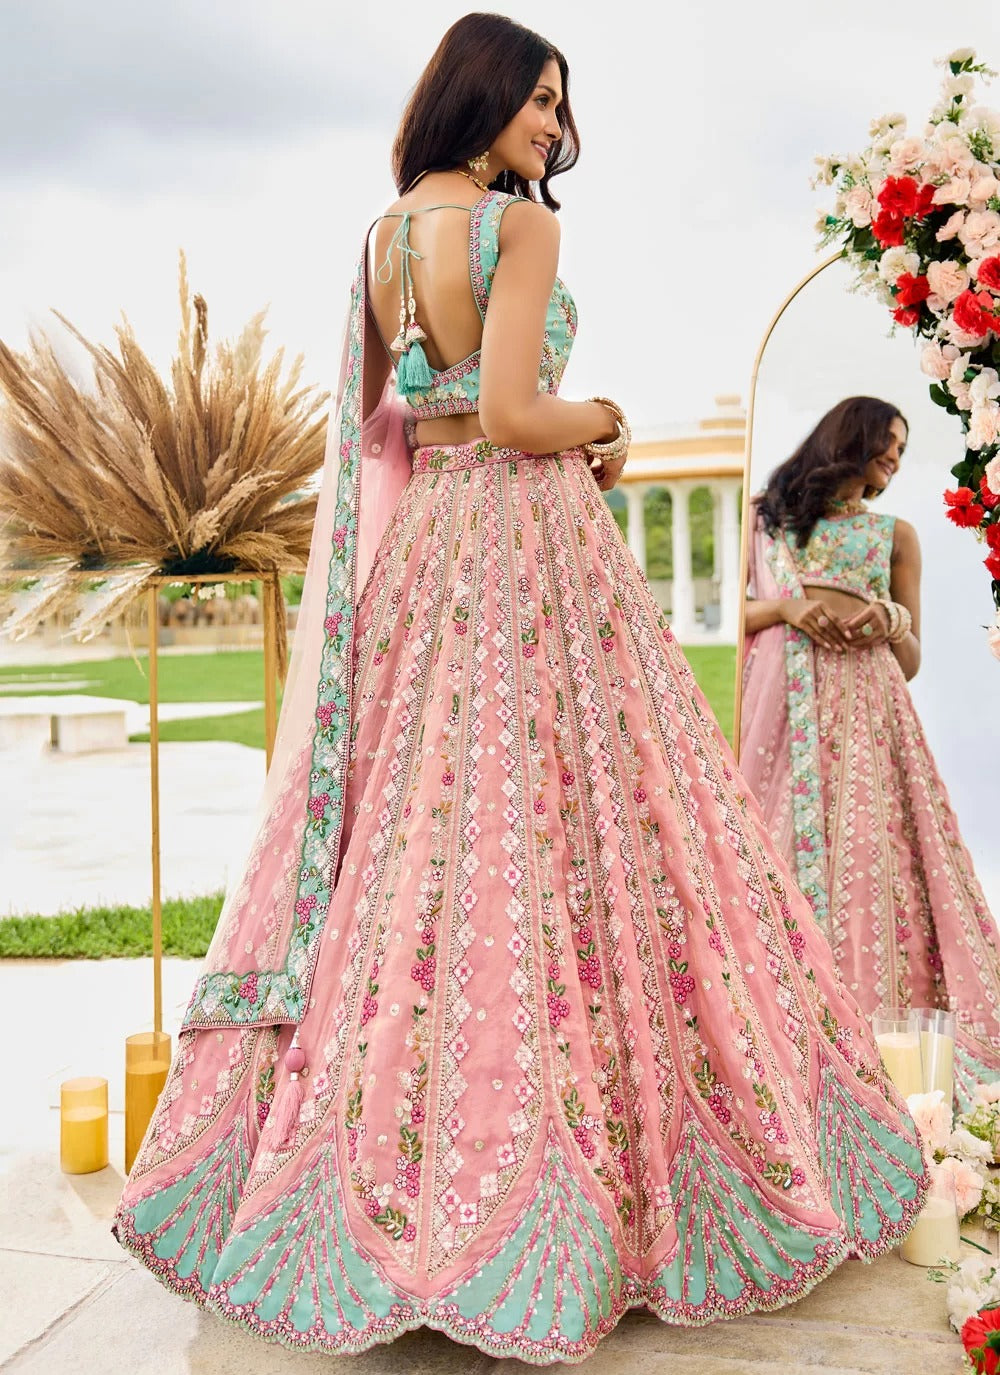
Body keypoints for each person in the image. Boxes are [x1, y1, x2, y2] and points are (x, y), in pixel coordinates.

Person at [114, 20, 926, 1364]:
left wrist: (532, 427)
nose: (552, 126)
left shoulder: (380, 241)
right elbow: (507, 410)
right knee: (593, 821)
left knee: (424, 832)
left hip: (429, 546)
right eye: (538, 99)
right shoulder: (517, 229)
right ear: (481, 99)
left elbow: (403, 422)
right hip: (530, 545)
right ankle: (565, 1187)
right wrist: (603, 421)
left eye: (561, 103)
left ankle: (377, 1168)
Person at [741, 394, 1000, 1107]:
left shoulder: (896, 535)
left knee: (868, 861)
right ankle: (787, 1047)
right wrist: (789, 607)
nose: (893, 460)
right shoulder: (764, 519)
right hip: (785, 706)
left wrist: (889, 619)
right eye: (886, 445)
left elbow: (910, 657)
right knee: (776, 850)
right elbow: (734, 613)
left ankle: (877, 1053)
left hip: (869, 712)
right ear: (848, 439)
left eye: (901, 452)